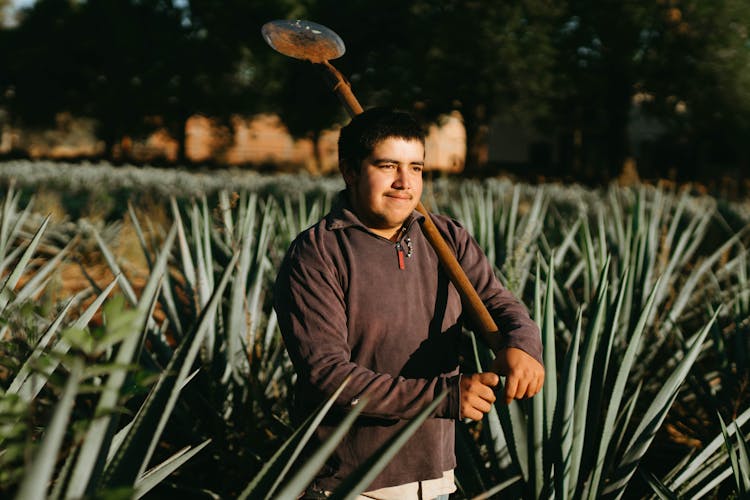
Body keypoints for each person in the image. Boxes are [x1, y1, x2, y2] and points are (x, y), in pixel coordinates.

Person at [274, 107, 544, 499]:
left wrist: (522, 343)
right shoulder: (318, 253)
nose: (404, 182)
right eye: (388, 166)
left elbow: (498, 302)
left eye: (415, 168)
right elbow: (327, 375)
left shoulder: (445, 238)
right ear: (349, 171)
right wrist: (444, 397)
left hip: (435, 477)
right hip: (350, 483)